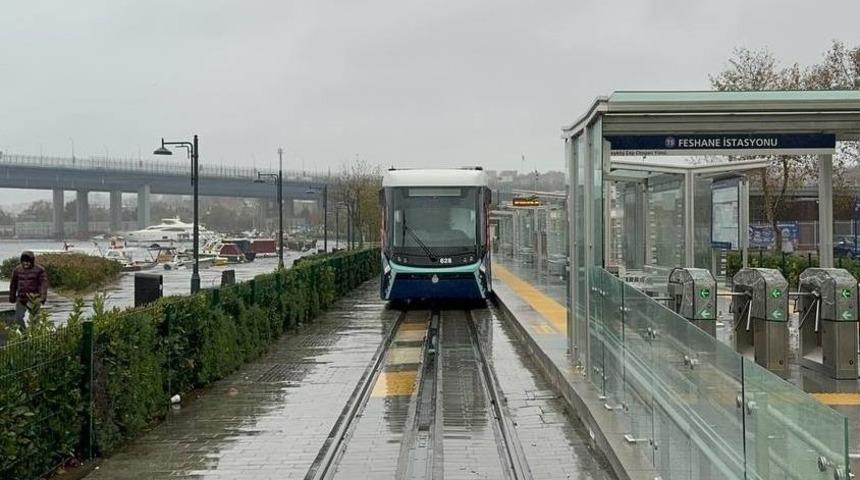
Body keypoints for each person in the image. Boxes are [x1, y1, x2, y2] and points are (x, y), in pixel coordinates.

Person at [8, 251, 48, 329]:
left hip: (34, 299)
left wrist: (42, 297)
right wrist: (12, 296)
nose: (26, 263)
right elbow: (13, 284)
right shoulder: (17, 270)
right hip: (21, 299)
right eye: (24, 261)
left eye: (28, 261)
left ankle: (34, 338)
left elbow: (43, 284)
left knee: (35, 321)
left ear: (32, 261)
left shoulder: (40, 270)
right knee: (18, 319)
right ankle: (24, 336)